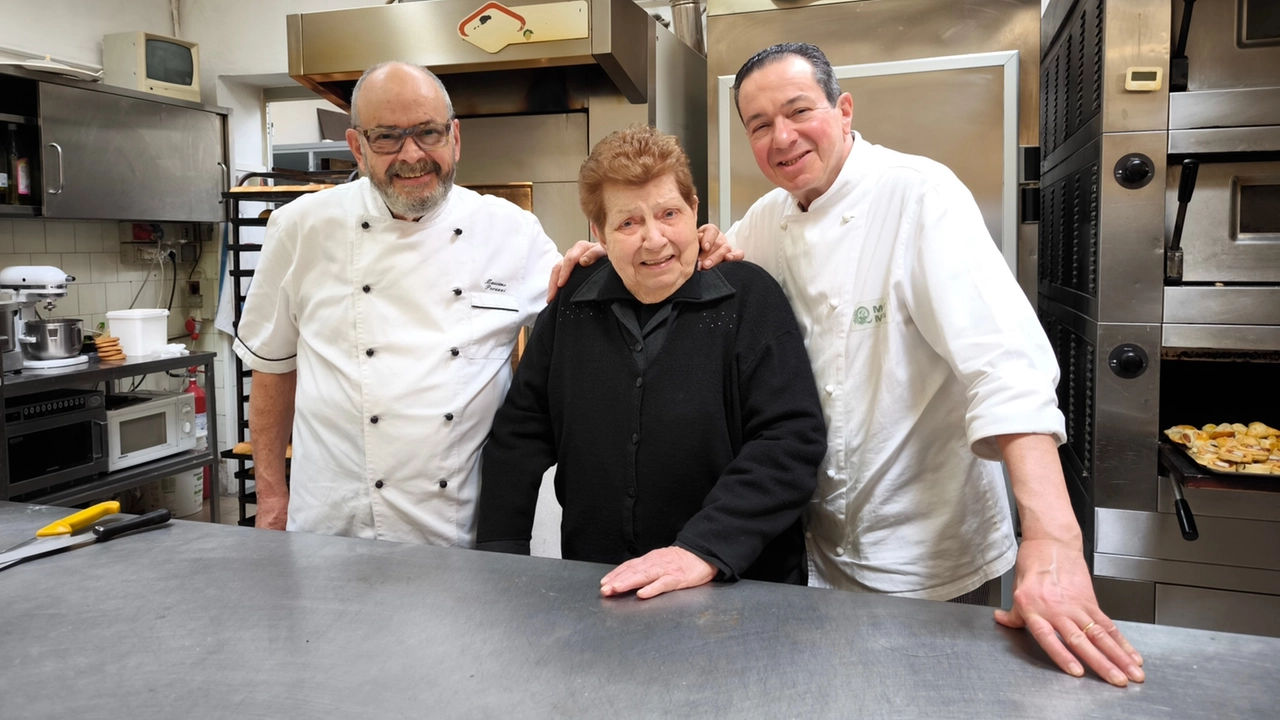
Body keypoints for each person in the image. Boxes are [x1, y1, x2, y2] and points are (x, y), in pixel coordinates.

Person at [551, 44, 1144, 686]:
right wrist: (604, 256)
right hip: (820, 549)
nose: (782, 137)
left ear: (843, 109)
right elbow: (680, 255)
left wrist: (1052, 538)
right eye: (758, 125)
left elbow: (1003, 367)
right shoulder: (769, 221)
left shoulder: (920, 194)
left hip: (927, 556)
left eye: (798, 110)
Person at [236, 62, 737, 545]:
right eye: (387, 136)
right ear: (357, 147)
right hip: (336, 523)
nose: (412, 154)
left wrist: (685, 249)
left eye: (428, 133)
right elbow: (272, 368)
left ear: (454, 138)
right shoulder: (299, 228)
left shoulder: (510, 230)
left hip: (460, 526)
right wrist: (272, 500)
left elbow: (597, 300)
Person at [477, 125, 827, 599]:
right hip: (604, 586)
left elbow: (789, 441)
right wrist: (501, 559)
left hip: (739, 587)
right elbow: (519, 434)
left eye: (669, 213)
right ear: (597, 232)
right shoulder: (573, 303)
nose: (655, 239)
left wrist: (701, 550)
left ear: (695, 210)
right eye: (628, 223)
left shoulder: (750, 299)